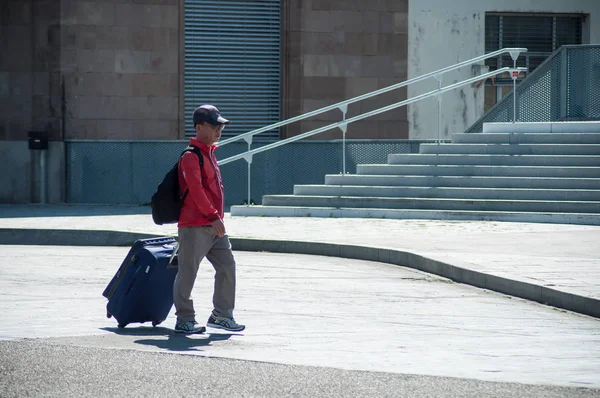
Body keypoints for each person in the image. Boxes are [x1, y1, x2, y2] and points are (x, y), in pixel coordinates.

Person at [173, 104, 245, 334]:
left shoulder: (210, 154)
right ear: (199, 127)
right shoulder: (191, 157)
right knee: (188, 272)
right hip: (195, 226)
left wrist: (216, 219)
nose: (219, 129)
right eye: (214, 126)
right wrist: (214, 217)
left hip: (214, 226)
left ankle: (221, 315)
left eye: (220, 125)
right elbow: (196, 191)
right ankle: (184, 319)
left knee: (227, 266)